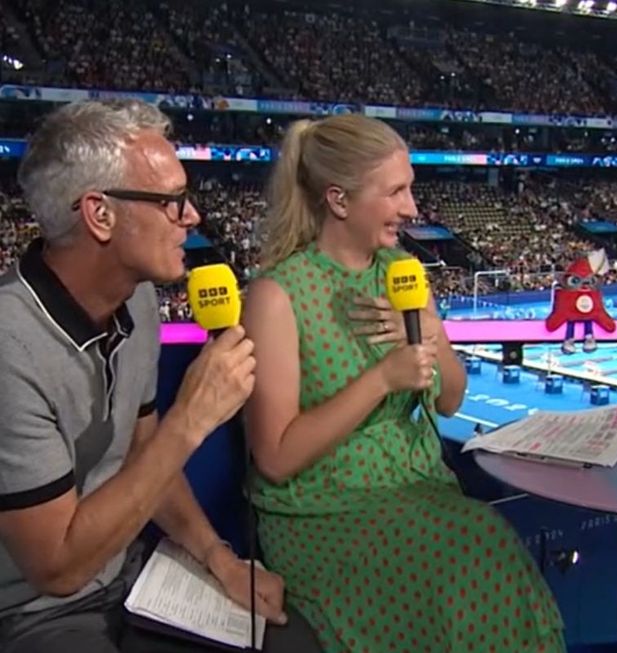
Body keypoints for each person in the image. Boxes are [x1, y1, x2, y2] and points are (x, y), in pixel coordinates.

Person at [0, 99, 317, 653]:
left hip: (129, 576)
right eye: (172, 201)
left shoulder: (140, 301)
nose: (192, 216)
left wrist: (219, 558)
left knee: (291, 641)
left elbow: (145, 458)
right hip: (34, 610)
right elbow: (57, 571)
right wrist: (191, 419)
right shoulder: (9, 345)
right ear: (100, 215)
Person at [242, 114, 566, 653]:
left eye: (409, 188)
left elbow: (451, 398)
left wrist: (433, 336)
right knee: (473, 554)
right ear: (340, 200)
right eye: (395, 191)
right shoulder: (277, 296)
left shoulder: (404, 273)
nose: (412, 208)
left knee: (488, 546)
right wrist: (381, 378)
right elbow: (274, 457)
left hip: (414, 490)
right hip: (322, 510)